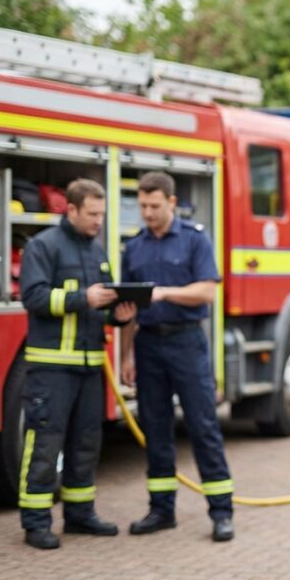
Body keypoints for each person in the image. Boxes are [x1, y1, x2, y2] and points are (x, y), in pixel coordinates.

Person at [18, 178, 137, 550]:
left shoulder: (96, 250)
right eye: (92, 214)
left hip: (88, 367)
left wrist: (118, 315)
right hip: (51, 368)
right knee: (45, 444)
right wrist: (81, 297)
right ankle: (36, 522)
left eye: (102, 214)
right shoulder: (43, 246)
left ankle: (80, 514)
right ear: (70, 210)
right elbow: (32, 297)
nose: (99, 221)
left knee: (87, 443)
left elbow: (97, 310)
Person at [119, 171, 234, 543]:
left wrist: (166, 293)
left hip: (186, 343)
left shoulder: (194, 239)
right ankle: (161, 510)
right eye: (142, 206)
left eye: (154, 206)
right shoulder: (133, 247)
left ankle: (221, 513)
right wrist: (126, 356)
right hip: (148, 345)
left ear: (171, 202)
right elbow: (128, 308)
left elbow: (207, 292)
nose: (147, 213)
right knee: (155, 428)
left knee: (203, 426)